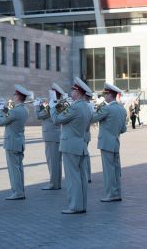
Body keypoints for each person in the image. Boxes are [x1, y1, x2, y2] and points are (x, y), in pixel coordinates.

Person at [50, 77, 92, 214]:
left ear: (78, 92)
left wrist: (53, 105)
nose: (71, 93)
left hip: (70, 145)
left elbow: (56, 119)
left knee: (73, 177)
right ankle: (82, 205)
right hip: (80, 144)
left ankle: (75, 206)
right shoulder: (86, 106)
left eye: (73, 90)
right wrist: (61, 105)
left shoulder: (75, 107)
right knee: (81, 177)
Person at [91, 83, 127, 201]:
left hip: (106, 143)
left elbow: (92, 118)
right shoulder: (122, 109)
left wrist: (94, 107)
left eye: (105, 94)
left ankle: (111, 194)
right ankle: (117, 193)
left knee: (108, 171)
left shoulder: (107, 108)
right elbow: (123, 129)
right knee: (116, 170)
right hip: (115, 142)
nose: (104, 96)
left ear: (110, 95)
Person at [0, 84, 30, 200]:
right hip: (19, 141)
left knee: (13, 170)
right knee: (19, 168)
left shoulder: (16, 111)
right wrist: (5, 109)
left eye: (15, 94)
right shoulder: (24, 109)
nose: (13, 96)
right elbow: (11, 116)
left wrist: (0, 110)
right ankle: (20, 191)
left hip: (12, 142)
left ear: (18, 97)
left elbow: (1, 121)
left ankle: (17, 192)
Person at [35, 83, 65, 190]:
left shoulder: (54, 105)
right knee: (56, 162)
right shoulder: (58, 104)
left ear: (53, 94)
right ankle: (57, 183)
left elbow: (39, 115)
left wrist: (37, 106)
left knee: (52, 162)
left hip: (51, 136)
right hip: (55, 135)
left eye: (50, 93)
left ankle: (53, 183)